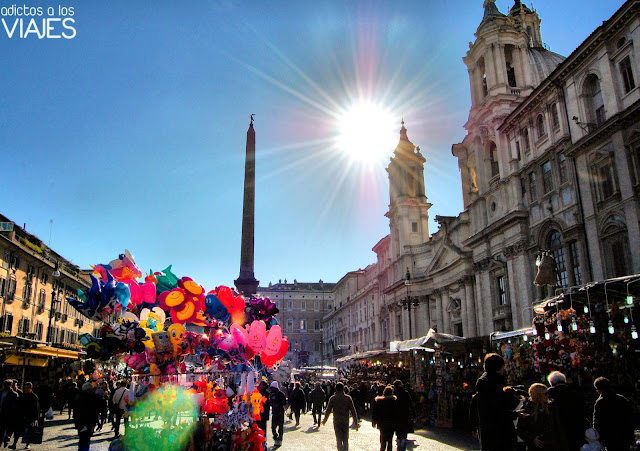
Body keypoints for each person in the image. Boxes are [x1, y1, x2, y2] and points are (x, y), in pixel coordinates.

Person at [473, 353, 521, 451]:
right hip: (499, 432)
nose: (504, 369)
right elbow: (497, 410)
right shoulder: (493, 384)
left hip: (488, 432)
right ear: (498, 367)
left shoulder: (484, 383)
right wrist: (514, 413)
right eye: (503, 366)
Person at [516, 383, 567, 451]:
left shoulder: (551, 407)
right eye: (545, 394)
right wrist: (532, 438)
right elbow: (520, 429)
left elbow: (558, 427)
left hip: (552, 445)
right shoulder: (527, 408)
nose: (548, 395)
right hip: (536, 446)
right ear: (538, 395)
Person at [546, 371, 587, 451]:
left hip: (560, 427)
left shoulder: (551, 392)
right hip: (577, 425)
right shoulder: (575, 390)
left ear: (551, 382)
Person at [592, 376, 634, 451]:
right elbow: (631, 417)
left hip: (610, 438)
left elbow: (597, 423)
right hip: (625, 437)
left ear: (599, 389)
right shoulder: (622, 399)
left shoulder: (600, 402)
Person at [322, 382, 359, 451]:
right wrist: (356, 423)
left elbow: (328, 411)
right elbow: (353, 411)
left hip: (337, 421)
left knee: (338, 439)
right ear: (343, 389)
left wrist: (324, 420)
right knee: (345, 439)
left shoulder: (332, 398)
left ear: (335, 389)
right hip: (345, 421)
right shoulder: (348, 398)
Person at [73, 382, 101, 451]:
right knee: (85, 441)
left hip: (81, 423)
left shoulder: (79, 396)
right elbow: (90, 411)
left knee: (83, 441)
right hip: (85, 423)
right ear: (88, 390)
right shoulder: (86, 398)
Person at [372, 385, 397, 451]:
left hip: (382, 423)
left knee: (383, 440)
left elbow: (375, 413)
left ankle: (382, 449)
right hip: (391, 424)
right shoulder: (394, 402)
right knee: (390, 441)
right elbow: (397, 413)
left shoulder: (379, 401)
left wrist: (374, 422)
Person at [393, 380, 415, 451]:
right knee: (404, 435)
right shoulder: (405, 393)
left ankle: (399, 446)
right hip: (405, 416)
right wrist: (414, 415)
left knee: (399, 434)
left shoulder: (393, 393)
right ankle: (402, 448)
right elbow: (411, 405)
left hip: (396, 416)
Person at [19, 382, 40, 450]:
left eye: (27, 388)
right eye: (25, 388)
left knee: (29, 430)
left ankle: (27, 443)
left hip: (30, 416)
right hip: (23, 415)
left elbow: (37, 408)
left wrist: (36, 418)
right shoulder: (22, 395)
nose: (25, 389)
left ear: (30, 389)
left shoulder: (34, 397)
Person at [0, 380, 19, 448]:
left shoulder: (14, 394)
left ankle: (6, 439)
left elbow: (16, 407)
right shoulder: (1, 392)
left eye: (7, 385)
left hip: (9, 415)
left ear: (10, 385)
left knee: (8, 430)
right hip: (1, 414)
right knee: (1, 430)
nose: (5, 386)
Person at [269, 381, 287, 448]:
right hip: (274, 412)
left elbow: (284, 402)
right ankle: (275, 438)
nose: (271, 389)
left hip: (280, 412)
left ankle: (279, 440)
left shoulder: (281, 394)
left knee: (280, 427)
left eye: (272, 388)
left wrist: (278, 404)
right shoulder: (271, 394)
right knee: (273, 427)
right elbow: (270, 402)